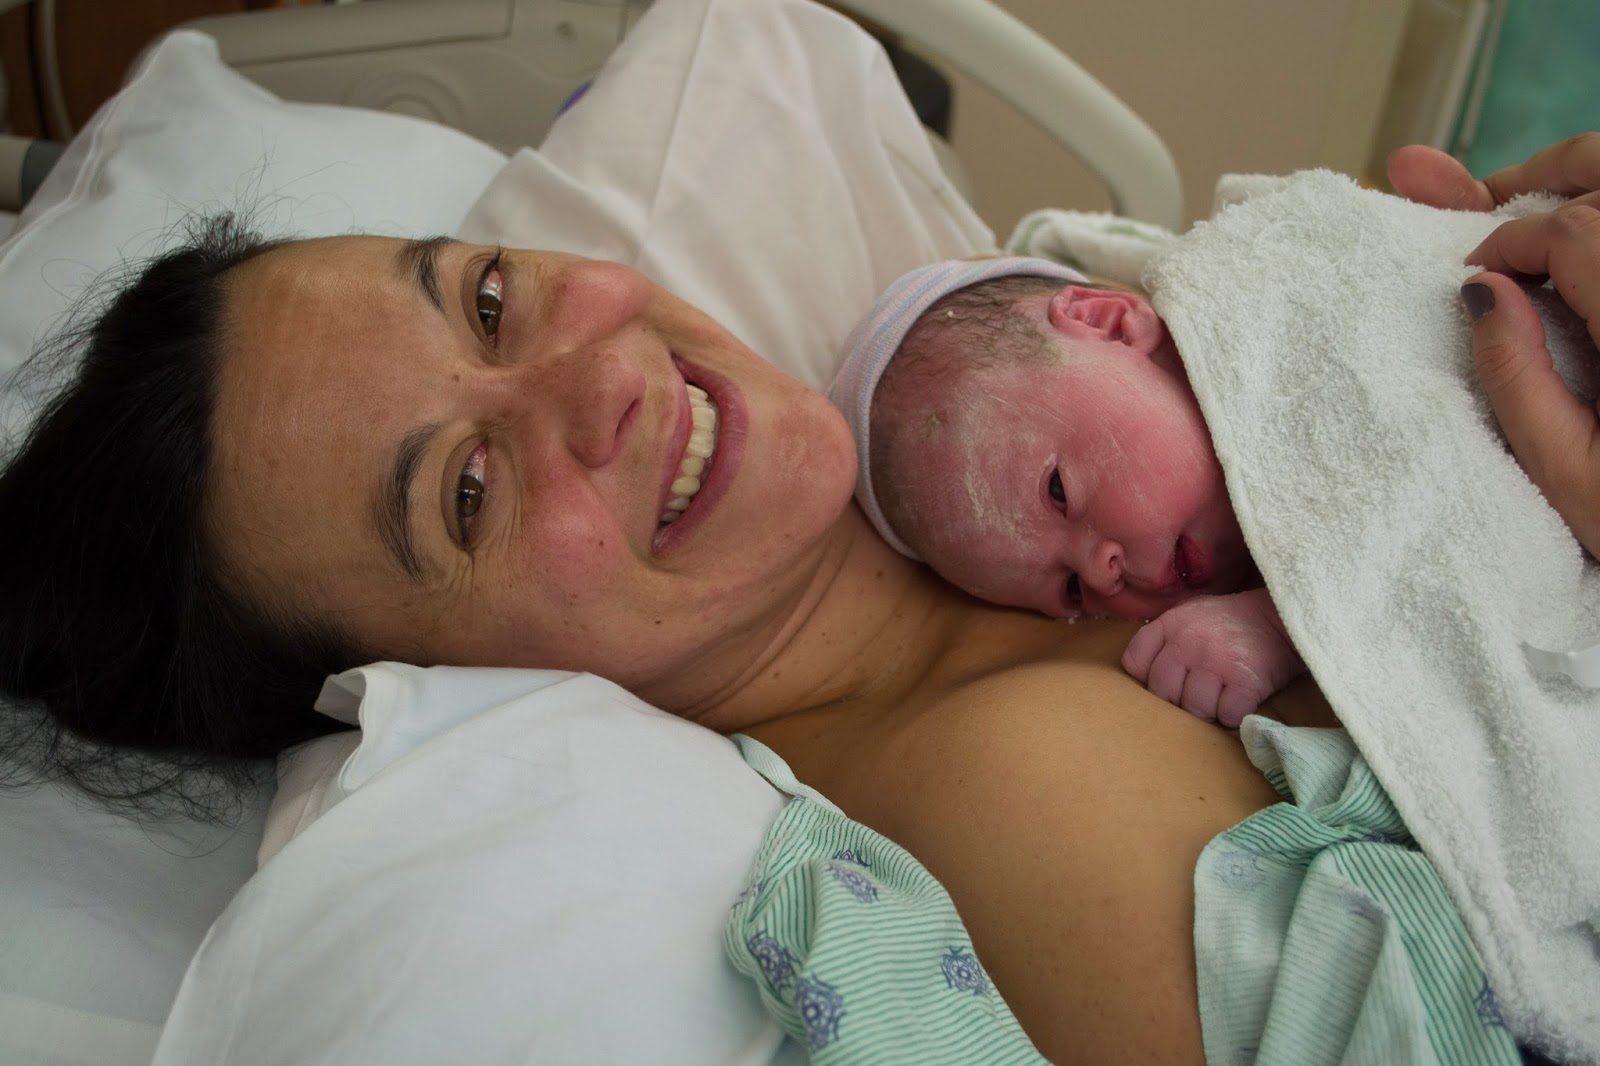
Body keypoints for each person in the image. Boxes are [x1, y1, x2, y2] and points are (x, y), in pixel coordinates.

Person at [1, 133, 1596, 1062]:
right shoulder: (1021, 784)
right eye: (467, 493)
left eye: (488, 299)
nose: (592, 381)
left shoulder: (1028, 391)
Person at [827, 256, 1305, 727]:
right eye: (1073, 591)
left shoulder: (1294, 328)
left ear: (1106, 322)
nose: (1101, 575)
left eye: (1058, 492)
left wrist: (1279, 624)